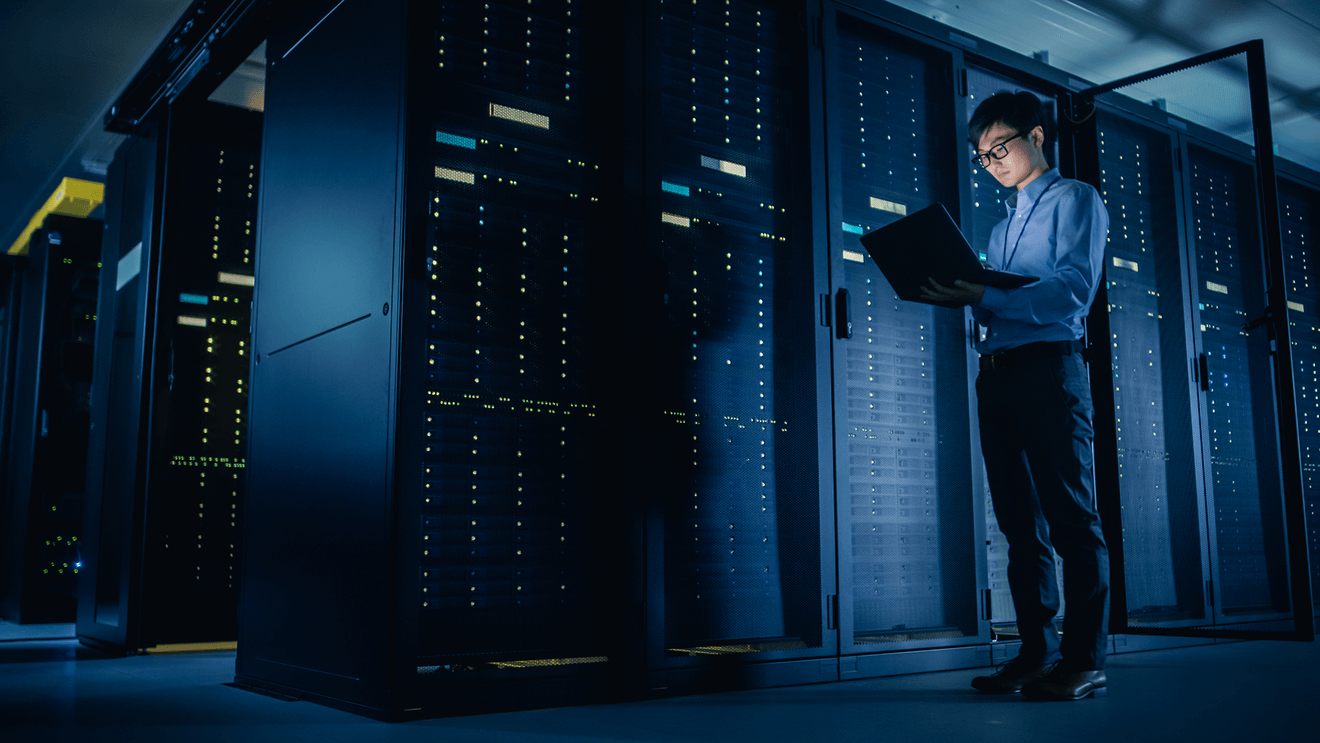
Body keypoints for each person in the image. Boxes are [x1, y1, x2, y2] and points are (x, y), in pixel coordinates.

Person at [920, 91, 1111, 701]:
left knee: (1072, 519)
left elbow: (1072, 293)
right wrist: (958, 291)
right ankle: (1037, 653)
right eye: (982, 155)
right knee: (1018, 525)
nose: (993, 160)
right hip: (997, 376)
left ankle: (1083, 661)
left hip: (1050, 373)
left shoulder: (1075, 199)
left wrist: (984, 297)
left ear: (1036, 136)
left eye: (1000, 146)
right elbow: (998, 307)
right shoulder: (1000, 230)